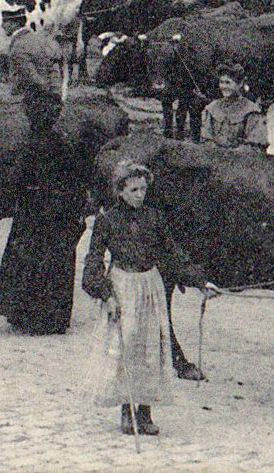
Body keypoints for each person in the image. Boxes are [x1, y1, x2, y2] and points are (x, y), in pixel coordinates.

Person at [83, 160, 221, 436]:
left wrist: (200, 282)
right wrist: (105, 294)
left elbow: (172, 254)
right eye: (133, 189)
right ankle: (127, 411)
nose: (139, 195)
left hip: (150, 286)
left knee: (150, 349)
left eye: (143, 189)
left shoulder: (155, 218)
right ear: (120, 191)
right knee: (127, 347)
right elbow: (93, 262)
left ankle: (145, 413)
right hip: (123, 287)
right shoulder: (107, 220)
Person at [0, 28, 84, 335]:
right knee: (52, 264)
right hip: (56, 211)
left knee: (28, 259)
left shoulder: (32, 143)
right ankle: (49, 318)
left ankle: (24, 315)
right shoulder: (64, 142)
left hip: (35, 210)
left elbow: (16, 178)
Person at [198, 64, 266, 152]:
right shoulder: (212, 108)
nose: (223, 86)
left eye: (228, 82)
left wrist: (233, 154)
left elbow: (255, 145)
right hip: (215, 159)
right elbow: (206, 139)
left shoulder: (251, 110)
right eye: (221, 82)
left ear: (240, 84)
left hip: (241, 161)